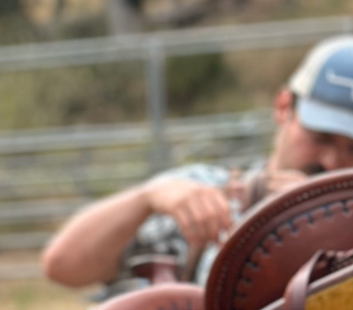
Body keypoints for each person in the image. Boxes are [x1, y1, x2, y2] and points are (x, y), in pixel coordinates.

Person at [41, 36, 353, 289]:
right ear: (284, 107)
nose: (332, 161)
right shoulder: (204, 196)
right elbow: (62, 266)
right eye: (320, 137)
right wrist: (147, 198)